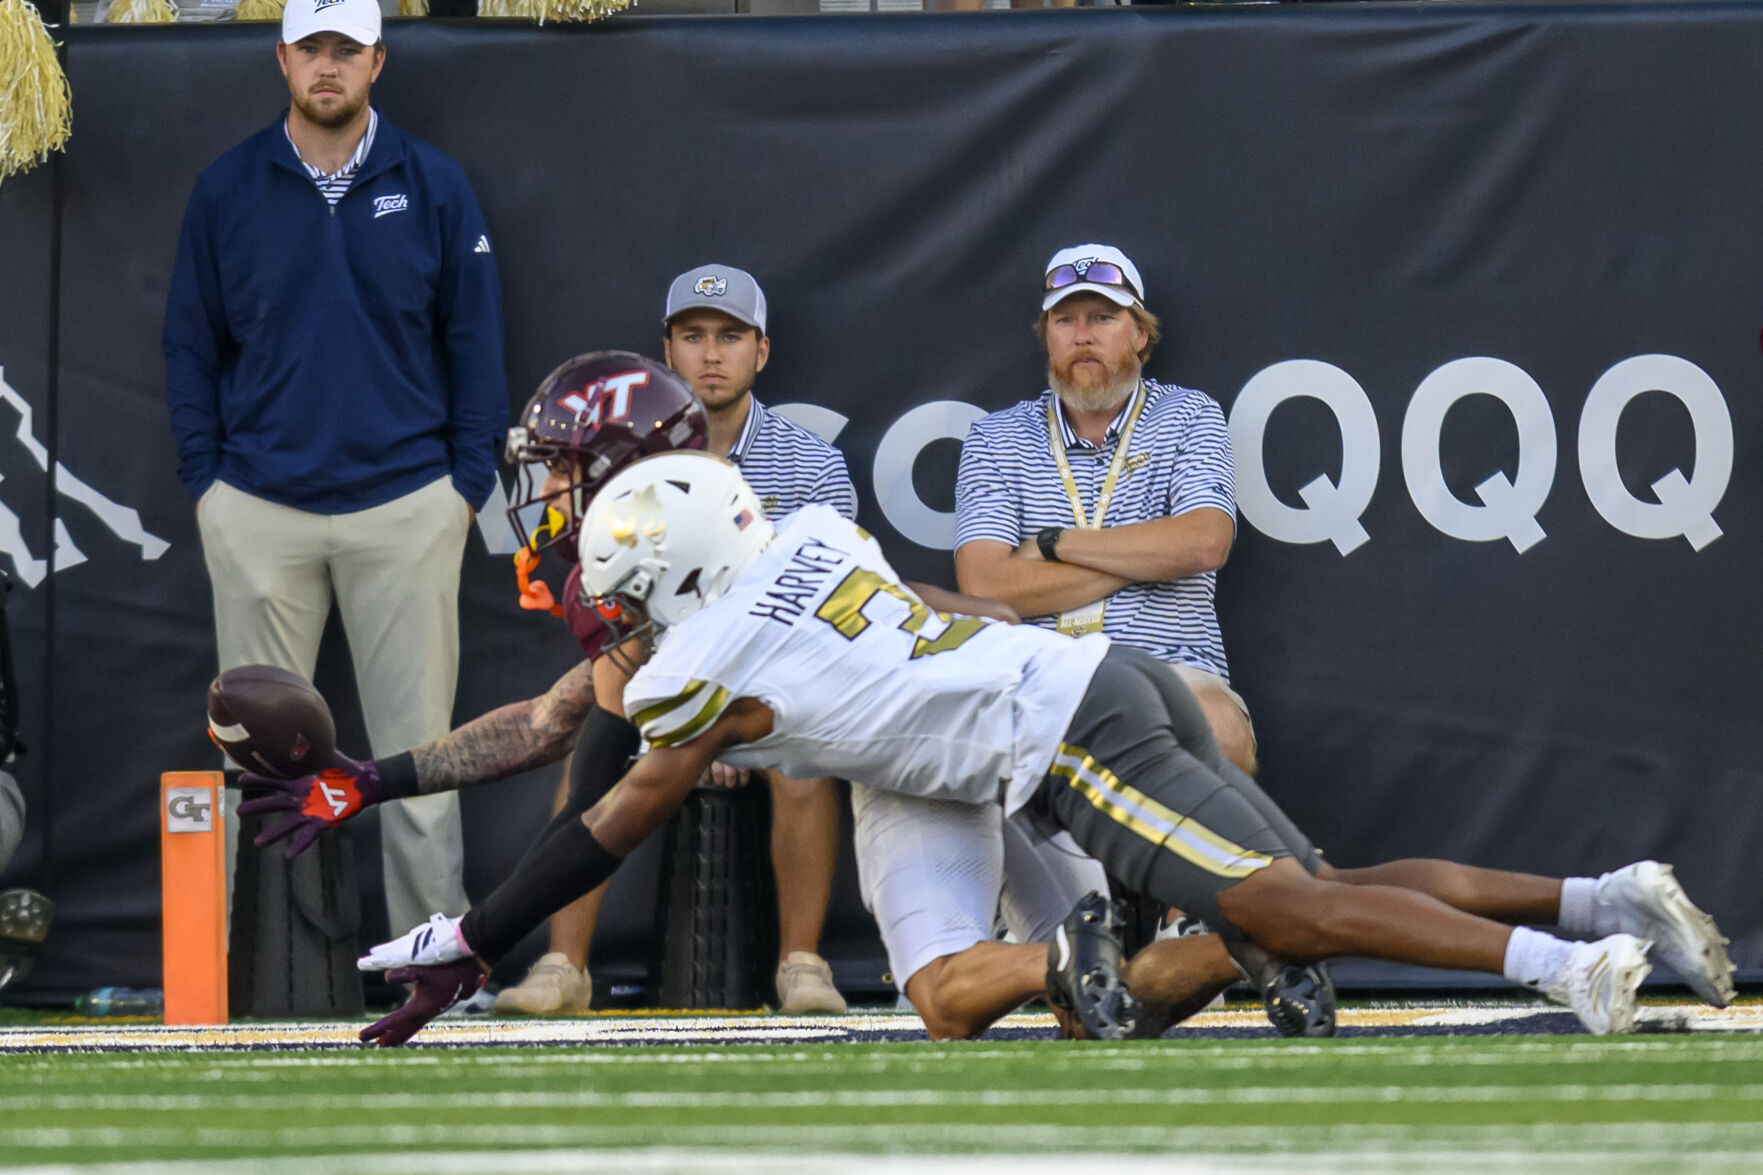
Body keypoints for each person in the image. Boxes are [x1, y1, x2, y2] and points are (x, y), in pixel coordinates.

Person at [351, 451, 1735, 1046]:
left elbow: (608, 809)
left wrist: (475, 934)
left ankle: (1568, 967)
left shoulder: (710, 660)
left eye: (630, 595)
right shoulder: (813, 538)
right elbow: (576, 718)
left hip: (1062, 735)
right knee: (1290, 886)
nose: (617, 621)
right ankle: (1596, 898)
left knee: (1286, 901)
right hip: (1050, 707)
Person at [162, 0, 506, 945]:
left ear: (377, 62)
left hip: (406, 505)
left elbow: (474, 345)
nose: (327, 66)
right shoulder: (227, 187)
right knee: (255, 764)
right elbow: (189, 348)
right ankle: (251, 967)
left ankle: (434, 962)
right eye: (310, 48)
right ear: (280, 58)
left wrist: (461, 487)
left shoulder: (433, 182)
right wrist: (212, 488)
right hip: (258, 509)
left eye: (344, 50)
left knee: (418, 763)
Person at [493, 267, 858, 1016]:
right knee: (596, 740)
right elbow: (616, 609)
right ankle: (564, 966)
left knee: (802, 761)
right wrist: (684, 714)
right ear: (665, 351)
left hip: (770, 684)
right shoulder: (615, 454)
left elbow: (821, 610)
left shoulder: (813, 461)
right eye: (693, 337)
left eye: (730, 336)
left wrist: (722, 720)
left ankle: (802, 964)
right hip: (657, 676)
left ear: (762, 350)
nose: (711, 355)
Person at [955, 243, 1256, 776]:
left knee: (1217, 728)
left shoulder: (1189, 413)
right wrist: (1143, 559)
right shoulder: (996, 435)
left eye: (1103, 317)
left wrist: (1054, 544)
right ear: (1047, 337)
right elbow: (982, 583)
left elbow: (1205, 543)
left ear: (1139, 334)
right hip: (1036, 676)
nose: (1082, 335)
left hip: (1170, 672)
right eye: (1064, 319)